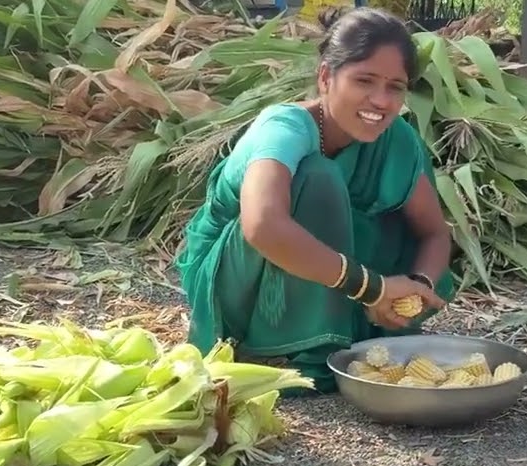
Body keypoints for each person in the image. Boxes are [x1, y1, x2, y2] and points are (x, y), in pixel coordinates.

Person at [175, 6, 459, 394]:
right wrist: (372, 288)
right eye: (365, 81)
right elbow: (262, 224)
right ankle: (275, 350)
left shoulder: (397, 141)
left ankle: (341, 334)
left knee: (388, 223)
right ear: (326, 77)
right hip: (240, 278)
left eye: (395, 87)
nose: (381, 100)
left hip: (344, 284)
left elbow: (434, 234)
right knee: (318, 178)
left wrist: (415, 285)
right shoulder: (284, 128)